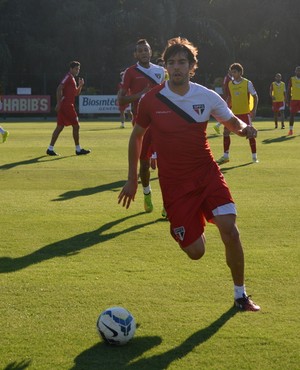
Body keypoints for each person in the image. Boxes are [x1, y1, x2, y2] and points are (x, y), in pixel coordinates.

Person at [118, 37, 260, 311]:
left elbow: (231, 121)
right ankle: (191, 222)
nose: (177, 67)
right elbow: (136, 138)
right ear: (166, 67)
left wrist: (245, 129)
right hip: (175, 185)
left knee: (230, 230)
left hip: (206, 174)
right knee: (196, 252)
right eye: (171, 63)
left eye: (182, 62)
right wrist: (132, 179)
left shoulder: (206, 96)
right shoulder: (151, 100)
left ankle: (240, 296)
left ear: (192, 66)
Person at [117, 39, 165, 213]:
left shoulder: (160, 71)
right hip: (142, 123)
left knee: (167, 163)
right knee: (144, 165)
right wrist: (141, 95)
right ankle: (147, 193)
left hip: (162, 121)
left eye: (146, 50)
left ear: (151, 52)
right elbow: (121, 99)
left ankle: (168, 202)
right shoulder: (130, 72)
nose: (144, 53)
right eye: (140, 51)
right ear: (136, 54)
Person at [217, 63, 259, 164]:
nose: (233, 74)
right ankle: (226, 156)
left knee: (250, 134)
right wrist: (226, 109)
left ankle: (254, 157)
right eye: (231, 72)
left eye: (234, 72)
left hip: (245, 113)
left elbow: (255, 96)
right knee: (226, 133)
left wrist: (253, 110)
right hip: (233, 114)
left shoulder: (247, 83)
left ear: (240, 72)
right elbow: (230, 98)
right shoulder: (230, 84)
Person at [46, 61, 90, 156]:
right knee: (76, 126)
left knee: (60, 127)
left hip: (66, 105)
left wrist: (81, 85)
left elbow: (76, 93)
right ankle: (78, 149)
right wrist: (58, 103)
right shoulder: (68, 77)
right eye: (76, 69)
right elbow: (59, 88)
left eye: (78, 69)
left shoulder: (72, 79)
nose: (77, 71)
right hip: (67, 105)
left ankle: (50, 148)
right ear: (71, 69)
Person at [213, 68, 233, 134]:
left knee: (231, 112)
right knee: (227, 112)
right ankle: (217, 125)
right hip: (228, 97)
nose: (232, 72)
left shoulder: (230, 78)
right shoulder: (227, 78)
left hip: (231, 97)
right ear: (229, 71)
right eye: (231, 71)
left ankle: (219, 125)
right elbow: (224, 87)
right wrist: (225, 96)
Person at [287, 66, 300, 135]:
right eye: (297, 70)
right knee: (292, 114)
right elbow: (289, 90)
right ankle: (291, 130)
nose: (299, 72)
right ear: (295, 71)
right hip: (294, 99)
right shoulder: (292, 79)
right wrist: (287, 99)